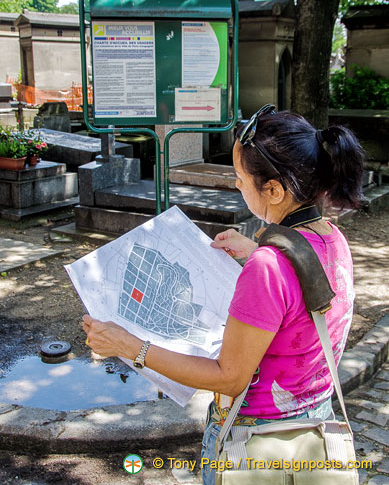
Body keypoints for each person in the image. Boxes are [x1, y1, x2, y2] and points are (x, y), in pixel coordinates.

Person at [83, 105, 364, 485]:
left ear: (275, 190)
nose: (236, 185)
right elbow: (308, 290)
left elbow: (229, 378)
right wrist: (254, 250)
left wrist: (130, 345)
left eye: (240, 178)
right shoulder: (332, 237)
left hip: (257, 441)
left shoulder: (267, 268)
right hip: (312, 427)